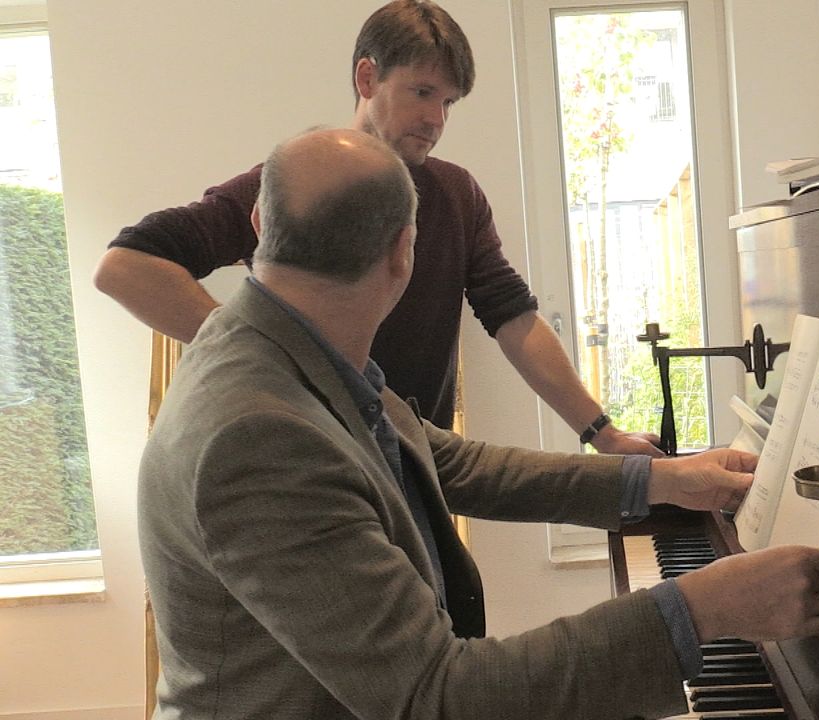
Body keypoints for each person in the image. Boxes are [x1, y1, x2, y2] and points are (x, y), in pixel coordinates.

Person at [138, 127, 819, 719]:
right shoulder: (261, 437)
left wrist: (658, 479)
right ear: (403, 253)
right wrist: (699, 607)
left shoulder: (284, 346)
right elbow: (438, 696)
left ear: (260, 225)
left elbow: (448, 461)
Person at [94, 0, 663, 456]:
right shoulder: (300, 178)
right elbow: (124, 266)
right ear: (367, 77)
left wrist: (602, 434)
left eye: (449, 102)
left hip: (415, 465)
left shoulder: (457, 194)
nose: (436, 119)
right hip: (309, 463)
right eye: (422, 92)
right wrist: (263, 347)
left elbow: (513, 318)